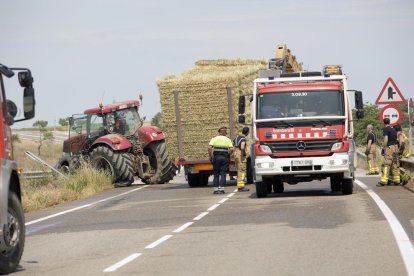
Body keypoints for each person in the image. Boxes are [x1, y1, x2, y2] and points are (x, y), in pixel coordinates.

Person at [208, 127, 234, 194]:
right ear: (225, 133)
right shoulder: (228, 139)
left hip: (216, 157)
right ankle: (221, 189)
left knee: (216, 174)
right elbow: (231, 149)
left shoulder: (214, 139)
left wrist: (210, 156)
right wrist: (229, 154)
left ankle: (216, 189)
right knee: (223, 173)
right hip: (224, 157)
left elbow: (209, 147)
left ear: (219, 132)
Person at [377, 118, 399, 186]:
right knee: (394, 164)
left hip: (389, 148)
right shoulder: (393, 129)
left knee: (386, 164)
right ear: (389, 122)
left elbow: (386, 140)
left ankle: (383, 181)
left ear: (383, 123)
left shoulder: (386, 129)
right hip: (395, 147)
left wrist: (384, 148)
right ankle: (396, 180)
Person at [233, 127, 250, 192]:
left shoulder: (236, 138)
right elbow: (242, 147)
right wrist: (244, 154)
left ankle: (240, 185)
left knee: (239, 171)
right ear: (247, 132)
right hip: (240, 155)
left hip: (236, 154)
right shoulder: (243, 139)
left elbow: (233, 147)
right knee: (242, 171)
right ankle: (241, 186)